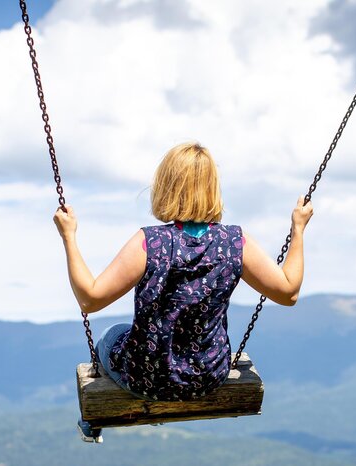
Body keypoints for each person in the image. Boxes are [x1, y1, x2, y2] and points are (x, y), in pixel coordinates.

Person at [54, 142, 313, 442]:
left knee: (111, 334)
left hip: (147, 377)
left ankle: (92, 423)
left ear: (166, 186)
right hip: (207, 376)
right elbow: (289, 292)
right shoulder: (234, 242)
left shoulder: (150, 243)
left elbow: (90, 298)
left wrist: (69, 236)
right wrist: (298, 229)